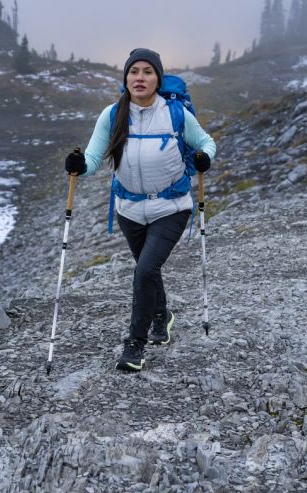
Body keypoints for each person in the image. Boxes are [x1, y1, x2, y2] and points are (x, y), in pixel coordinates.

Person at [64, 48, 216, 372]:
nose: (140, 77)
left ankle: (135, 345)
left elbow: (206, 142)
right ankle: (163, 316)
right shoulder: (112, 114)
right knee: (148, 270)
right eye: (134, 72)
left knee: (144, 270)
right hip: (128, 209)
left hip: (171, 206)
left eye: (148, 71)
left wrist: (204, 158)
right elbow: (93, 157)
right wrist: (80, 166)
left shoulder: (175, 113)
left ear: (158, 78)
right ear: (126, 78)